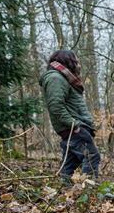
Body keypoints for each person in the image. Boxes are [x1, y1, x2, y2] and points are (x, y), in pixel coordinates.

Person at [40, 50, 100, 184]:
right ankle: (89, 192)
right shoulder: (55, 78)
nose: (78, 64)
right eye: (76, 61)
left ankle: (63, 192)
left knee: (69, 164)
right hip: (73, 128)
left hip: (73, 127)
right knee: (92, 157)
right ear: (67, 61)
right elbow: (55, 106)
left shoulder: (62, 78)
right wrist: (75, 125)